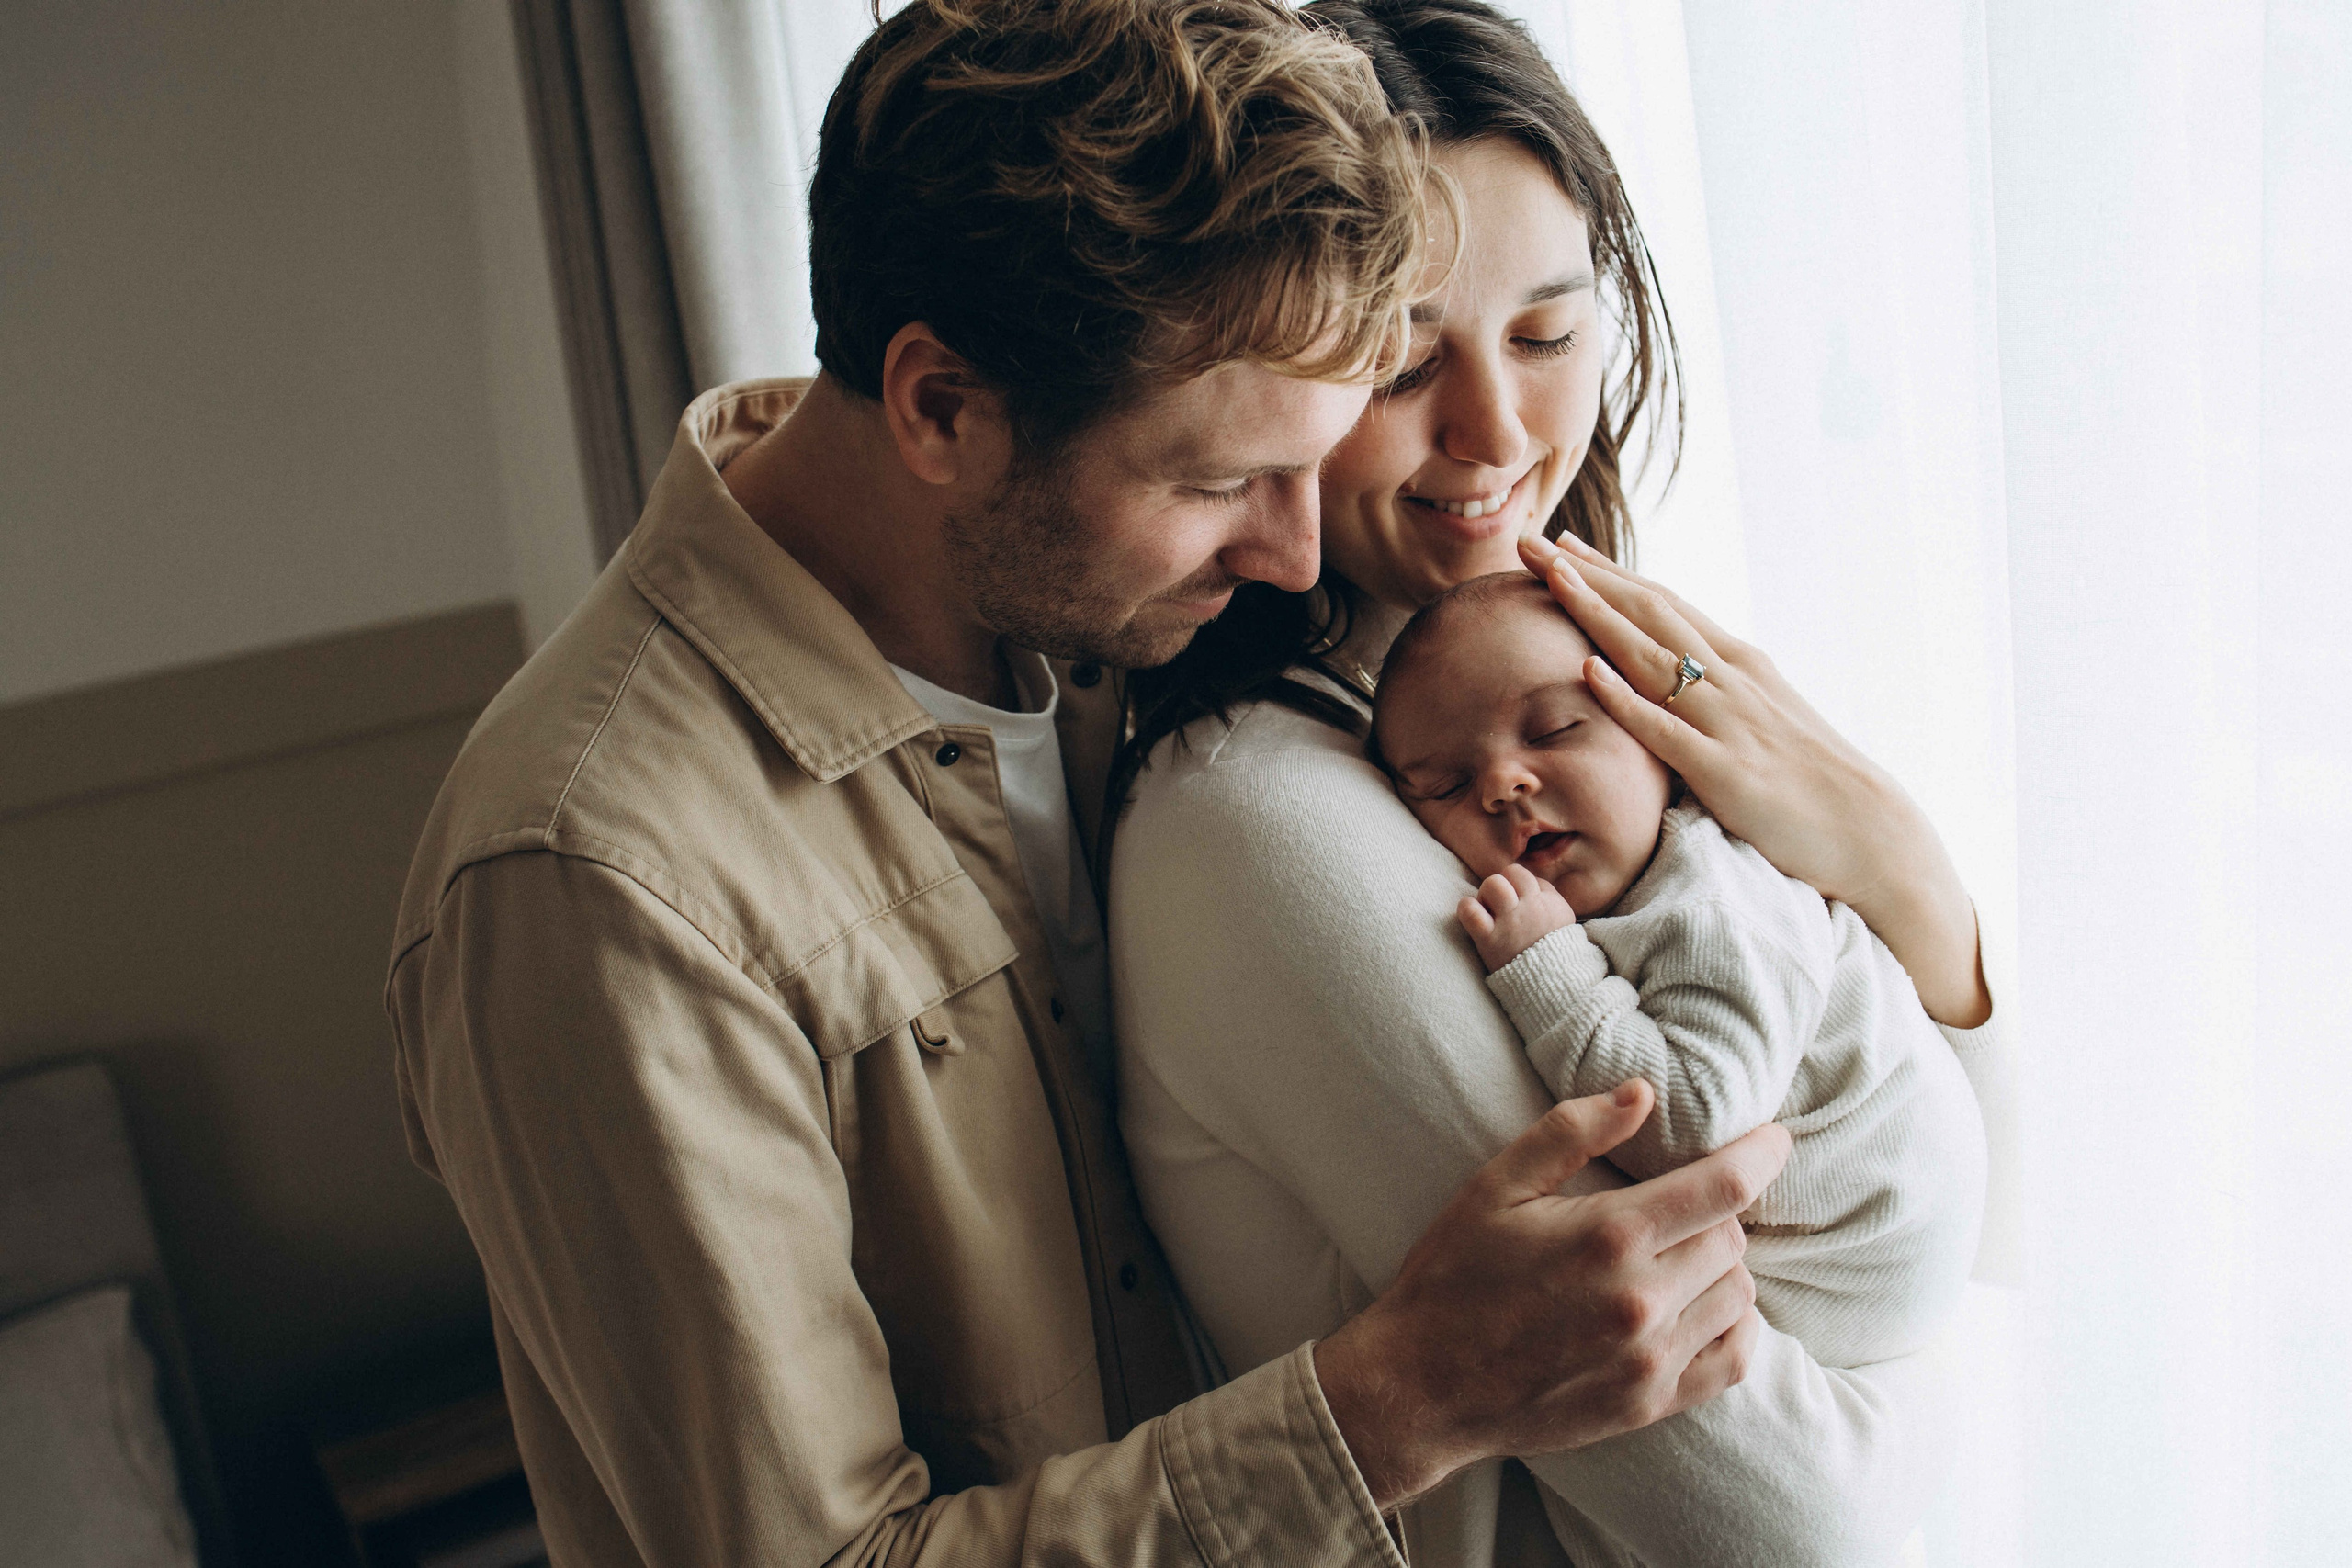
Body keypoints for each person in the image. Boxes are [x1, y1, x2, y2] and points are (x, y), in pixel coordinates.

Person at [382, 3, 1790, 1564]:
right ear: (940, 409)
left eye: (1309, 459)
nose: (1295, 552)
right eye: (1219, 481)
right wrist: (1406, 1397)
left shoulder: (1117, 623)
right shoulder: (593, 883)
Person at [1109, 2, 2014, 1562]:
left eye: (1546, 336)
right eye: (1403, 362)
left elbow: (1982, 1232)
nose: (1497, 430)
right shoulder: (1263, 818)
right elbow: (1791, 1523)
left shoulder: (1604, 694)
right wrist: (1954, 1385)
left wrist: (1903, 871)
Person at [1371, 571, 1986, 1371]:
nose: (1501, 784)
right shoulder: (1637, 888)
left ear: (1661, 731)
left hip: (1857, 1263)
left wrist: (1551, 974)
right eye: (1448, 785)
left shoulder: (1716, 897)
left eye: (1553, 729)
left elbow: (1698, 1122)